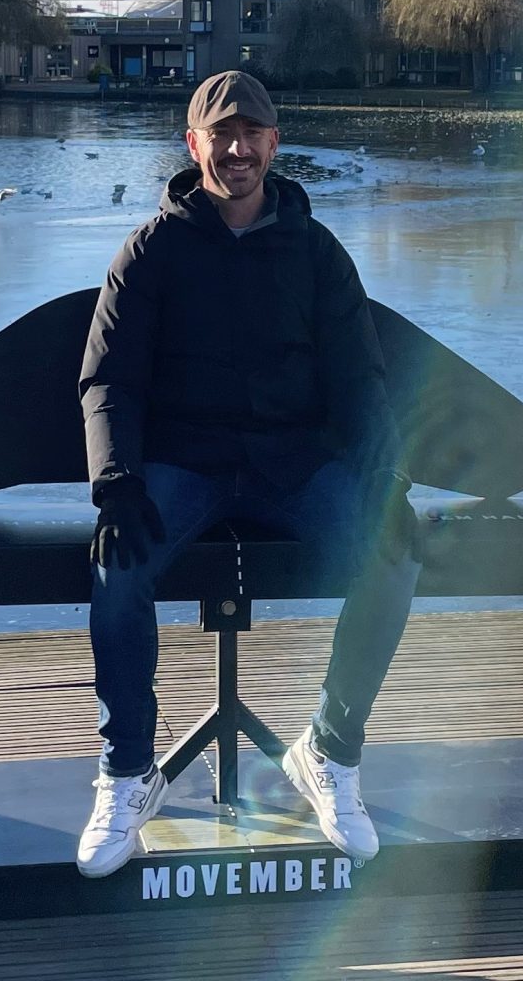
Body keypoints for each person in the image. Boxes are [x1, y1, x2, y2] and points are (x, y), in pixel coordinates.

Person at [76, 70, 421, 879]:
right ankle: (129, 773)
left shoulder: (316, 252)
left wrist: (387, 479)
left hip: (290, 466)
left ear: (273, 142)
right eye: (219, 135)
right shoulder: (152, 251)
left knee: (397, 554)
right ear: (192, 145)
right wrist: (115, 480)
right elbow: (109, 378)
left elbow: (360, 381)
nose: (236, 149)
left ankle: (329, 753)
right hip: (183, 464)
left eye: (251, 133)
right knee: (116, 565)